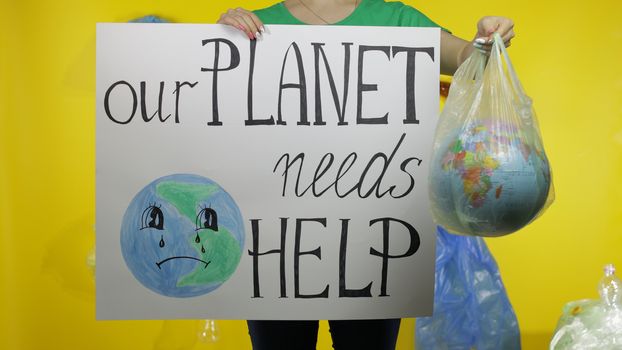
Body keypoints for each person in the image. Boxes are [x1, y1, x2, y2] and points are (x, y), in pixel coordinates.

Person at [217, 1, 515, 349]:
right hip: (276, 249)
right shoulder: (254, 26)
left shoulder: (397, 20)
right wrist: (224, 38)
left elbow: (468, 57)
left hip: (372, 249)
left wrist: (485, 40)